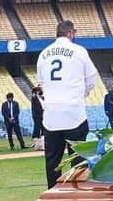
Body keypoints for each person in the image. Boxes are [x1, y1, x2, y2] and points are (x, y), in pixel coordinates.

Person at [36, 21, 97, 188]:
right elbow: (91, 79)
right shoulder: (79, 51)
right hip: (74, 113)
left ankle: (52, 195)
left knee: (52, 161)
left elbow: (41, 83)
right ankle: (78, 195)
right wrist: (81, 94)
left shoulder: (43, 54)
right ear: (70, 33)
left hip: (52, 116)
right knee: (79, 159)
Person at [31, 85, 45, 150]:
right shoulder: (34, 98)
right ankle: (36, 144)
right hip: (37, 116)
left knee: (43, 130)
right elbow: (36, 108)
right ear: (37, 92)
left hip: (43, 115)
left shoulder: (42, 98)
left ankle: (42, 144)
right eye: (39, 90)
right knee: (37, 129)